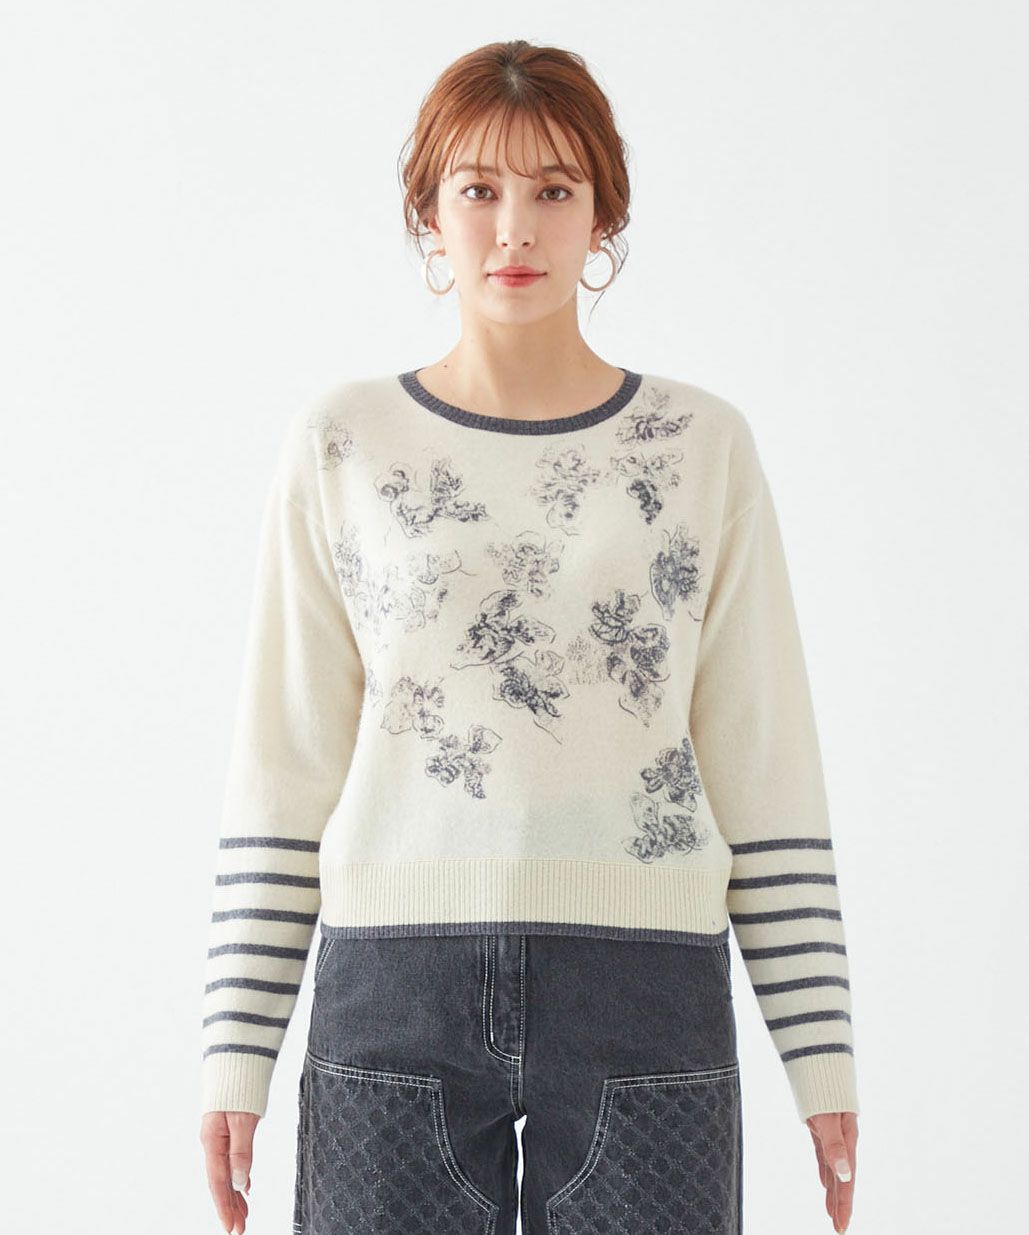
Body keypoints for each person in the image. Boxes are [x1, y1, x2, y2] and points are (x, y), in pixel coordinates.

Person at [198, 38, 859, 1235]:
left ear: (604, 213)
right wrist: (236, 1048)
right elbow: (286, 757)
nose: (515, 228)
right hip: (393, 990)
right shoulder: (344, 442)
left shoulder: (700, 446)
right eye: (478, 189)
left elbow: (761, 753)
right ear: (428, 212)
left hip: (643, 989)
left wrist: (821, 1056)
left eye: (554, 189)